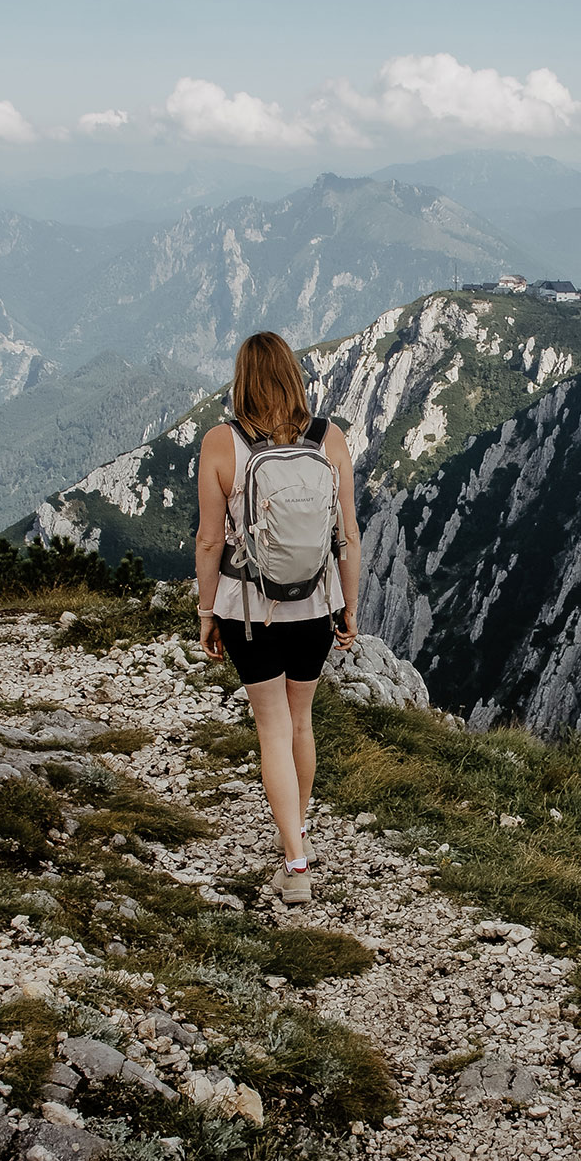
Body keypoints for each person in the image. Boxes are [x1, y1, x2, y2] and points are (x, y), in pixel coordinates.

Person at [195, 332, 360, 906]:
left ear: (242, 379)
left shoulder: (222, 442)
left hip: (250, 612)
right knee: (301, 724)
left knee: (271, 731)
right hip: (315, 606)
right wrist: (348, 607)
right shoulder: (328, 438)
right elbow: (349, 537)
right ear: (293, 375)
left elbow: (211, 540)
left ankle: (294, 863)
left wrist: (206, 611)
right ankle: (298, 834)